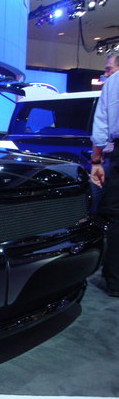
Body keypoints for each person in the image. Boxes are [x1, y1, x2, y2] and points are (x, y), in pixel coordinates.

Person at [90, 53, 119, 297]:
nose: (106, 74)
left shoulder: (113, 83)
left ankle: (115, 282)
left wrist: (96, 161)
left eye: (109, 68)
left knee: (116, 215)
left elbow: (101, 125)